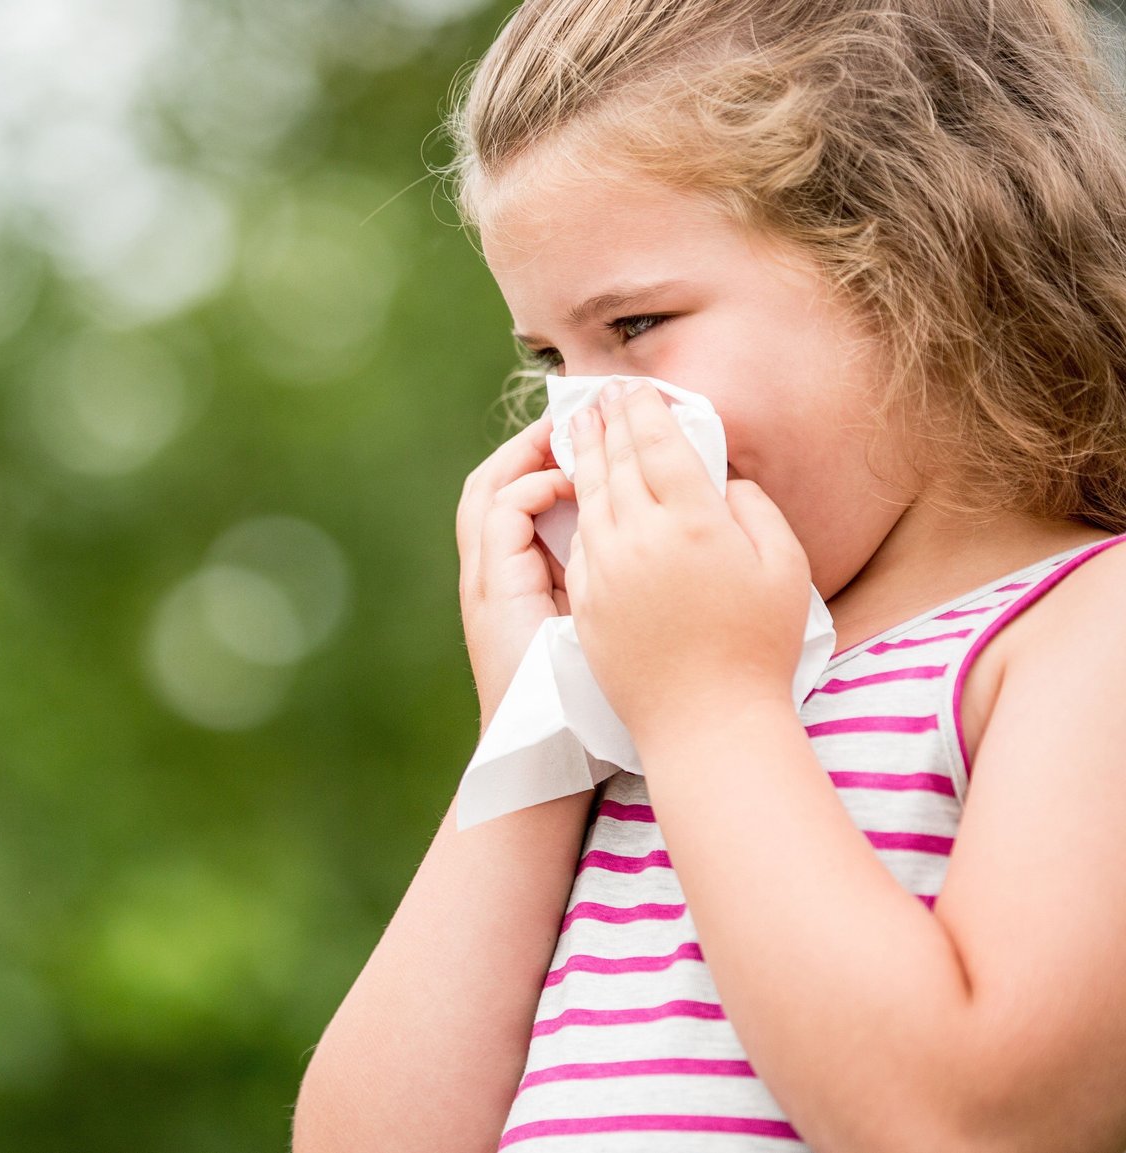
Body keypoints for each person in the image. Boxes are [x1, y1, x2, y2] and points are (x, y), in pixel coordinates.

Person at [294, 1, 1126, 1149]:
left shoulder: (1083, 631)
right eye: (548, 360)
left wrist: (703, 707)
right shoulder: (653, 696)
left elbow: (977, 1121)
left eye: (633, 324)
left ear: (915, 260)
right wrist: (533, 734)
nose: (580, 421)